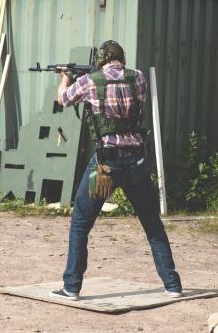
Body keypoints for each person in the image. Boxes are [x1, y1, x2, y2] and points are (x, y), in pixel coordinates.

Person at [49, 40, 182, 301]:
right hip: (136, 161)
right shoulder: (139, 78)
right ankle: (172, 285)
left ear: (100, 60)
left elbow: (62, 100)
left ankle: (72, 287)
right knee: (152, 224)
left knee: (80, 224)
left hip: (106, 162)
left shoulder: (89, 81)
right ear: (122, 57)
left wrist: (66, 77)